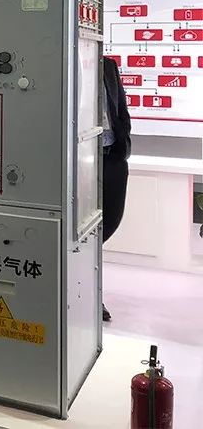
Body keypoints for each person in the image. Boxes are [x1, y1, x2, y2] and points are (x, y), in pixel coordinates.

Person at [101, 55, 132, 323]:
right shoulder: (60, 64)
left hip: (110, 155)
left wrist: (123, 137)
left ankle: (85, 286)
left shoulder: (108, 66)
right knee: (78, 233)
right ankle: (88, 293)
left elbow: (120, 108)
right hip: (77, 160)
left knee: (109, 222)